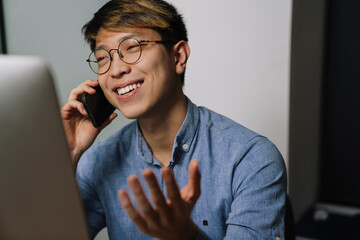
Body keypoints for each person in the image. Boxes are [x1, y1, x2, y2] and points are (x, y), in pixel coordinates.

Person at [61, 0, 287, 239]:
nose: (116, 70)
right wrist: (68, 154)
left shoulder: (251, 159)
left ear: (178, 57)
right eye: (103, 58)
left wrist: (184, 235)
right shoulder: (97, 162)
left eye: (132, 47)